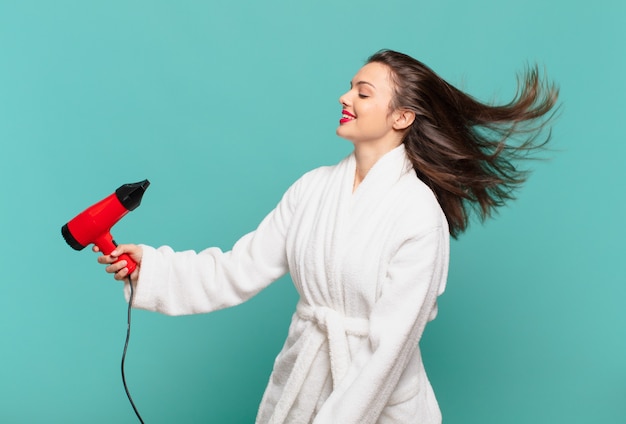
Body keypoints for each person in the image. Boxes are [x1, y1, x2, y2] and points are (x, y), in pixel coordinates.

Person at [96, 50, 558, 423]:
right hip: (303, 387)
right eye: (350, 87)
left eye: (363, 92)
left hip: (378, 405)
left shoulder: (419, 217)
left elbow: (389, 350)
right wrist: (152, 268)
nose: (345, 96)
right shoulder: (312, 189)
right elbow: (239, 268)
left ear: (401, 117)